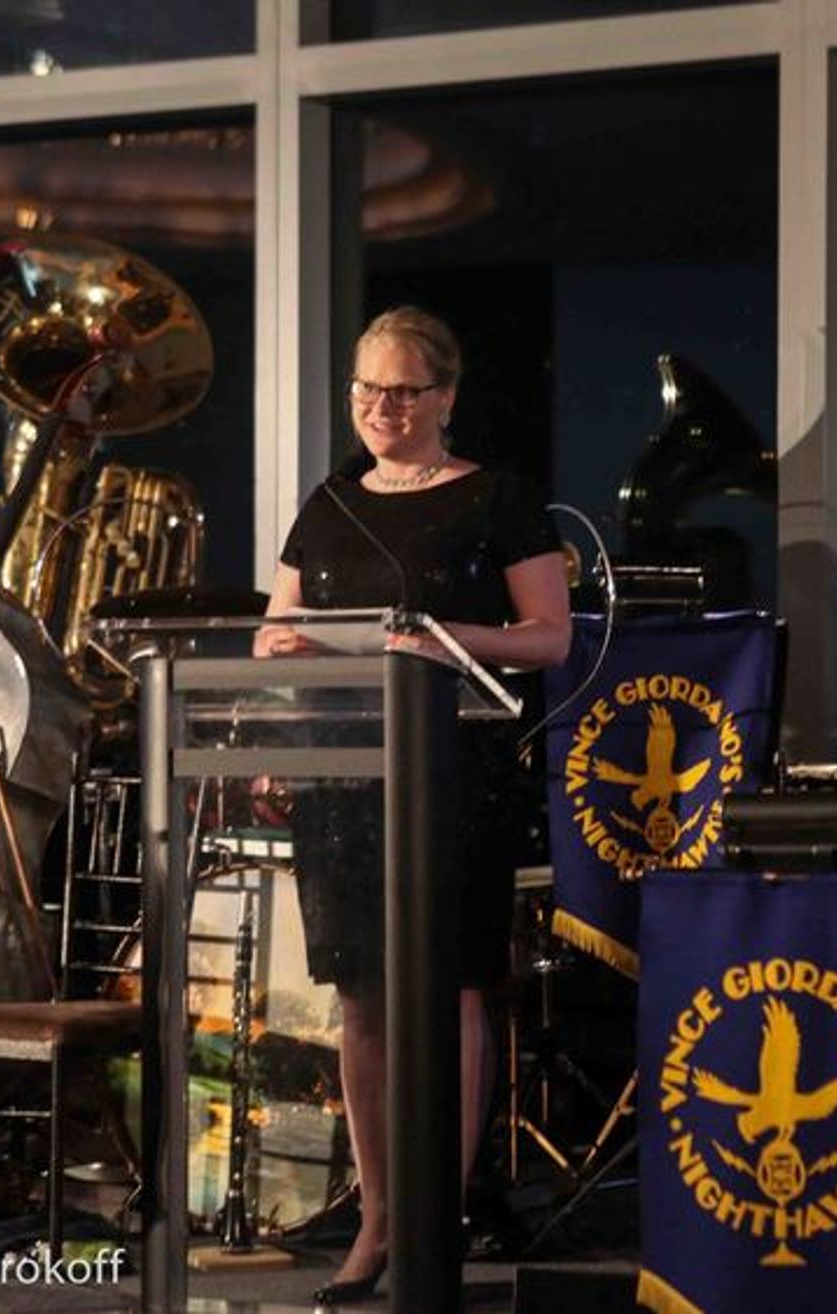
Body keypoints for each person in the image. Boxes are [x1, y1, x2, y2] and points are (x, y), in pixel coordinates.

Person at [256, 306, 570, 1303]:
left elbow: (550, 639)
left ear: (443, 398)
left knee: (450, 989)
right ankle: (380, 1217)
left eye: (399, 392)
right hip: (340, 773)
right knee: (358, 997)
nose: (379, 409)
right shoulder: (327, 504)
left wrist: (439, 645)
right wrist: (282, 698)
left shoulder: (498, 497)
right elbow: (273, 636)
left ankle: (438, 1212)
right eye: (364, 391)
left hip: (454, 773)